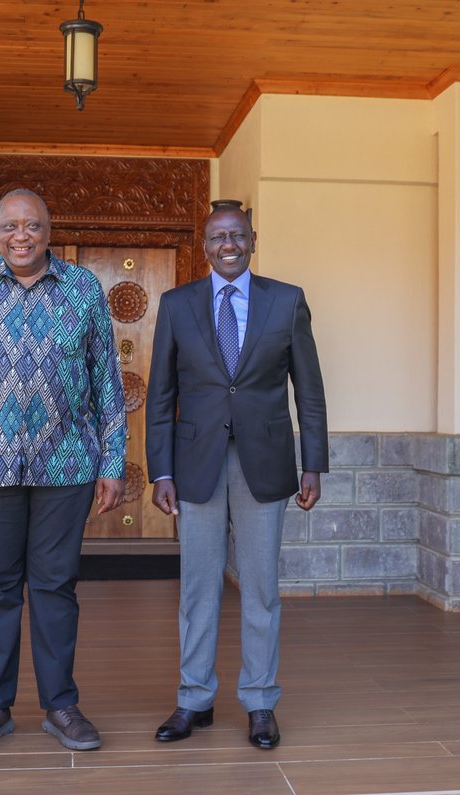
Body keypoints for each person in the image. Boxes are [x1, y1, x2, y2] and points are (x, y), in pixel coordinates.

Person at [0, 188, 126, 754]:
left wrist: (113, 462)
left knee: (56, 586)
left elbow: (108, 384)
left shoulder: (83, 290)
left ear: (48, 229)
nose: (21, 235)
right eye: (10, 226)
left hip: (68, 466)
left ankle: (62, 706)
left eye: (32, 224)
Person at [145, 204, 328, 749]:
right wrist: (161, 470)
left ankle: (261, 701)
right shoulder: (177, 305)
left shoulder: (287, 300)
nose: (228, 243)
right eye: (217, 236)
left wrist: (312, 462)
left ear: (253, 241)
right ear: (204, 245)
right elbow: (160, 396)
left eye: (237, 235)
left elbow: (309, 390)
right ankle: (194, 699)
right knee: (198, 586)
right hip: (197, 464)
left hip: (265, 464)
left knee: (261, 589)